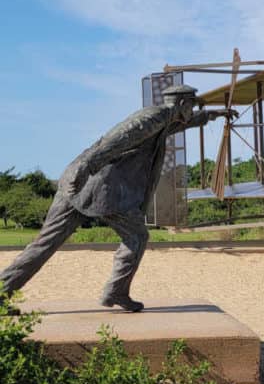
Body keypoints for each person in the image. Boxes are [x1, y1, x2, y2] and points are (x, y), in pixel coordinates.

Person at [0, 84, 232, 312]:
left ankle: (2, 290)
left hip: (79, 185)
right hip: (103, 188)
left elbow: (179, 125)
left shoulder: (163, 119)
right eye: (192, 105)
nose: (192, 110)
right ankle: (117, 291)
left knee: (44, 243)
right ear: (182, 103)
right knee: (138, 236)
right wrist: (87, 166)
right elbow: (119, 139)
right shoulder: (154, 117)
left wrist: (211, 116)